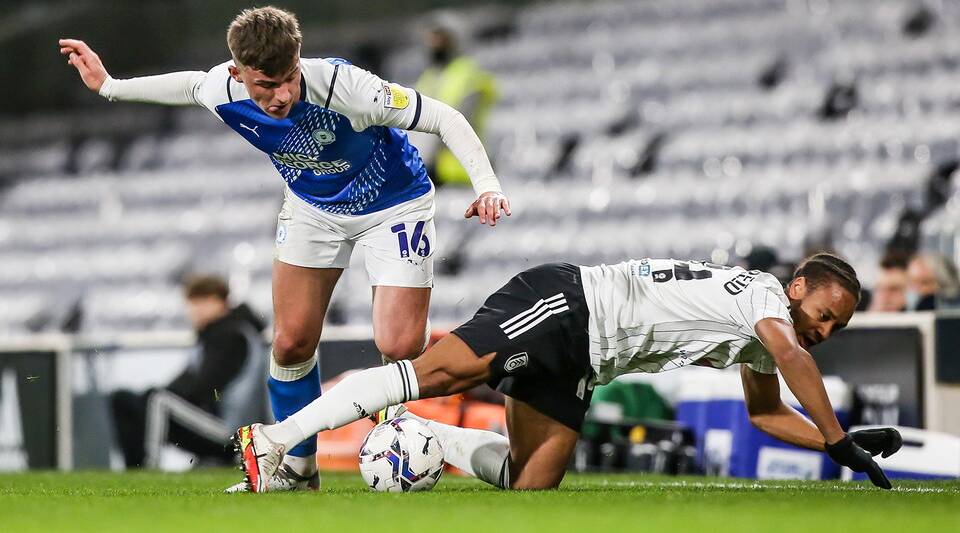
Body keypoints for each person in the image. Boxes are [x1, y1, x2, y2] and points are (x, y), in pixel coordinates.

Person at [61, 6, 510, 490]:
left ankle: (406, 439)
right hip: (313, 207)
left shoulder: (345, 86)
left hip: (394, 204)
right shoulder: (222, 88)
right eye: (265, 86)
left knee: (398, 344)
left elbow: (444, 115)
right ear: (238, 75)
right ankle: (297, 468)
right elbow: (190, 85)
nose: (281, 96)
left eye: (289, 79)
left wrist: (485, 185)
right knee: (291, 342)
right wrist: (109, 85)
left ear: (298, 61)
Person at [235, 254, 902, 492]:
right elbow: (793, 357)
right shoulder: (762, 299)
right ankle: (272, 439)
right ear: (798, 286)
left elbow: (764, 411)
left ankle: (426, 441)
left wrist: (833, 445)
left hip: (586, 358)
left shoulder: (763, 337)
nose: (825, 329)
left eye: (836, 327)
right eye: (823, 313)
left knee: (534, 483)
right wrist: (836, 433)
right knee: (432, 374)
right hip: (568, 306)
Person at [111, 275, 267, 468]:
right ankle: (133, 469)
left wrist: (159, 398)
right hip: (217, 423)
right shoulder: (216, 335)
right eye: (193, 304)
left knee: (157, 399)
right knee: (125, 400)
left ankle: (147, 468)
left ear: (221, 302)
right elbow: (188, 384)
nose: (196, 311)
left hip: (232, 432)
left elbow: (204, 390)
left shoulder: (230, 336)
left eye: (204, 302)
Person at [410, 19, 498, 187]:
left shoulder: (469, 73)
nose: (432, 44)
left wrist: (420, 162)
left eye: (438, 38)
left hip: (463, 171)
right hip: (430, 172)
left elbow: (458, 125)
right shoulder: (429, 77)